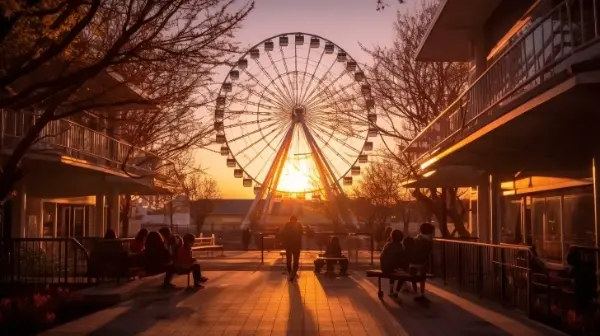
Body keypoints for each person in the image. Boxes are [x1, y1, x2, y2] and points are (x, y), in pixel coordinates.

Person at [410, 223, 435, 301]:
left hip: (412, 263)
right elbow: (429, 253)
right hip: (422, 263)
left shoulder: (416, 239)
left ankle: (414, 290)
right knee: (422, 276)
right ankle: (422, 293)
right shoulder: (428, 242)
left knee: (412, 274)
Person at [380, 229, 405, 296]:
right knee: (403, 274)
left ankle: (391, 288)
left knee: (392, 268)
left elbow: (382, 256)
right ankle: (396, 292)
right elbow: (401, 260)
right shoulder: (400, 247)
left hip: (384, 268)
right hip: (393, 268)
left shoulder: (387, 245)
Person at [281, 215, 303, 281]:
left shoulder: (287, 225)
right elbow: (301, 233)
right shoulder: (298, 225)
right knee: (294, 259)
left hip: (290, 245)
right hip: (295, 245)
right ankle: (293, 271)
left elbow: (284, 234)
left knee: (290, 259)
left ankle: (291, 271)